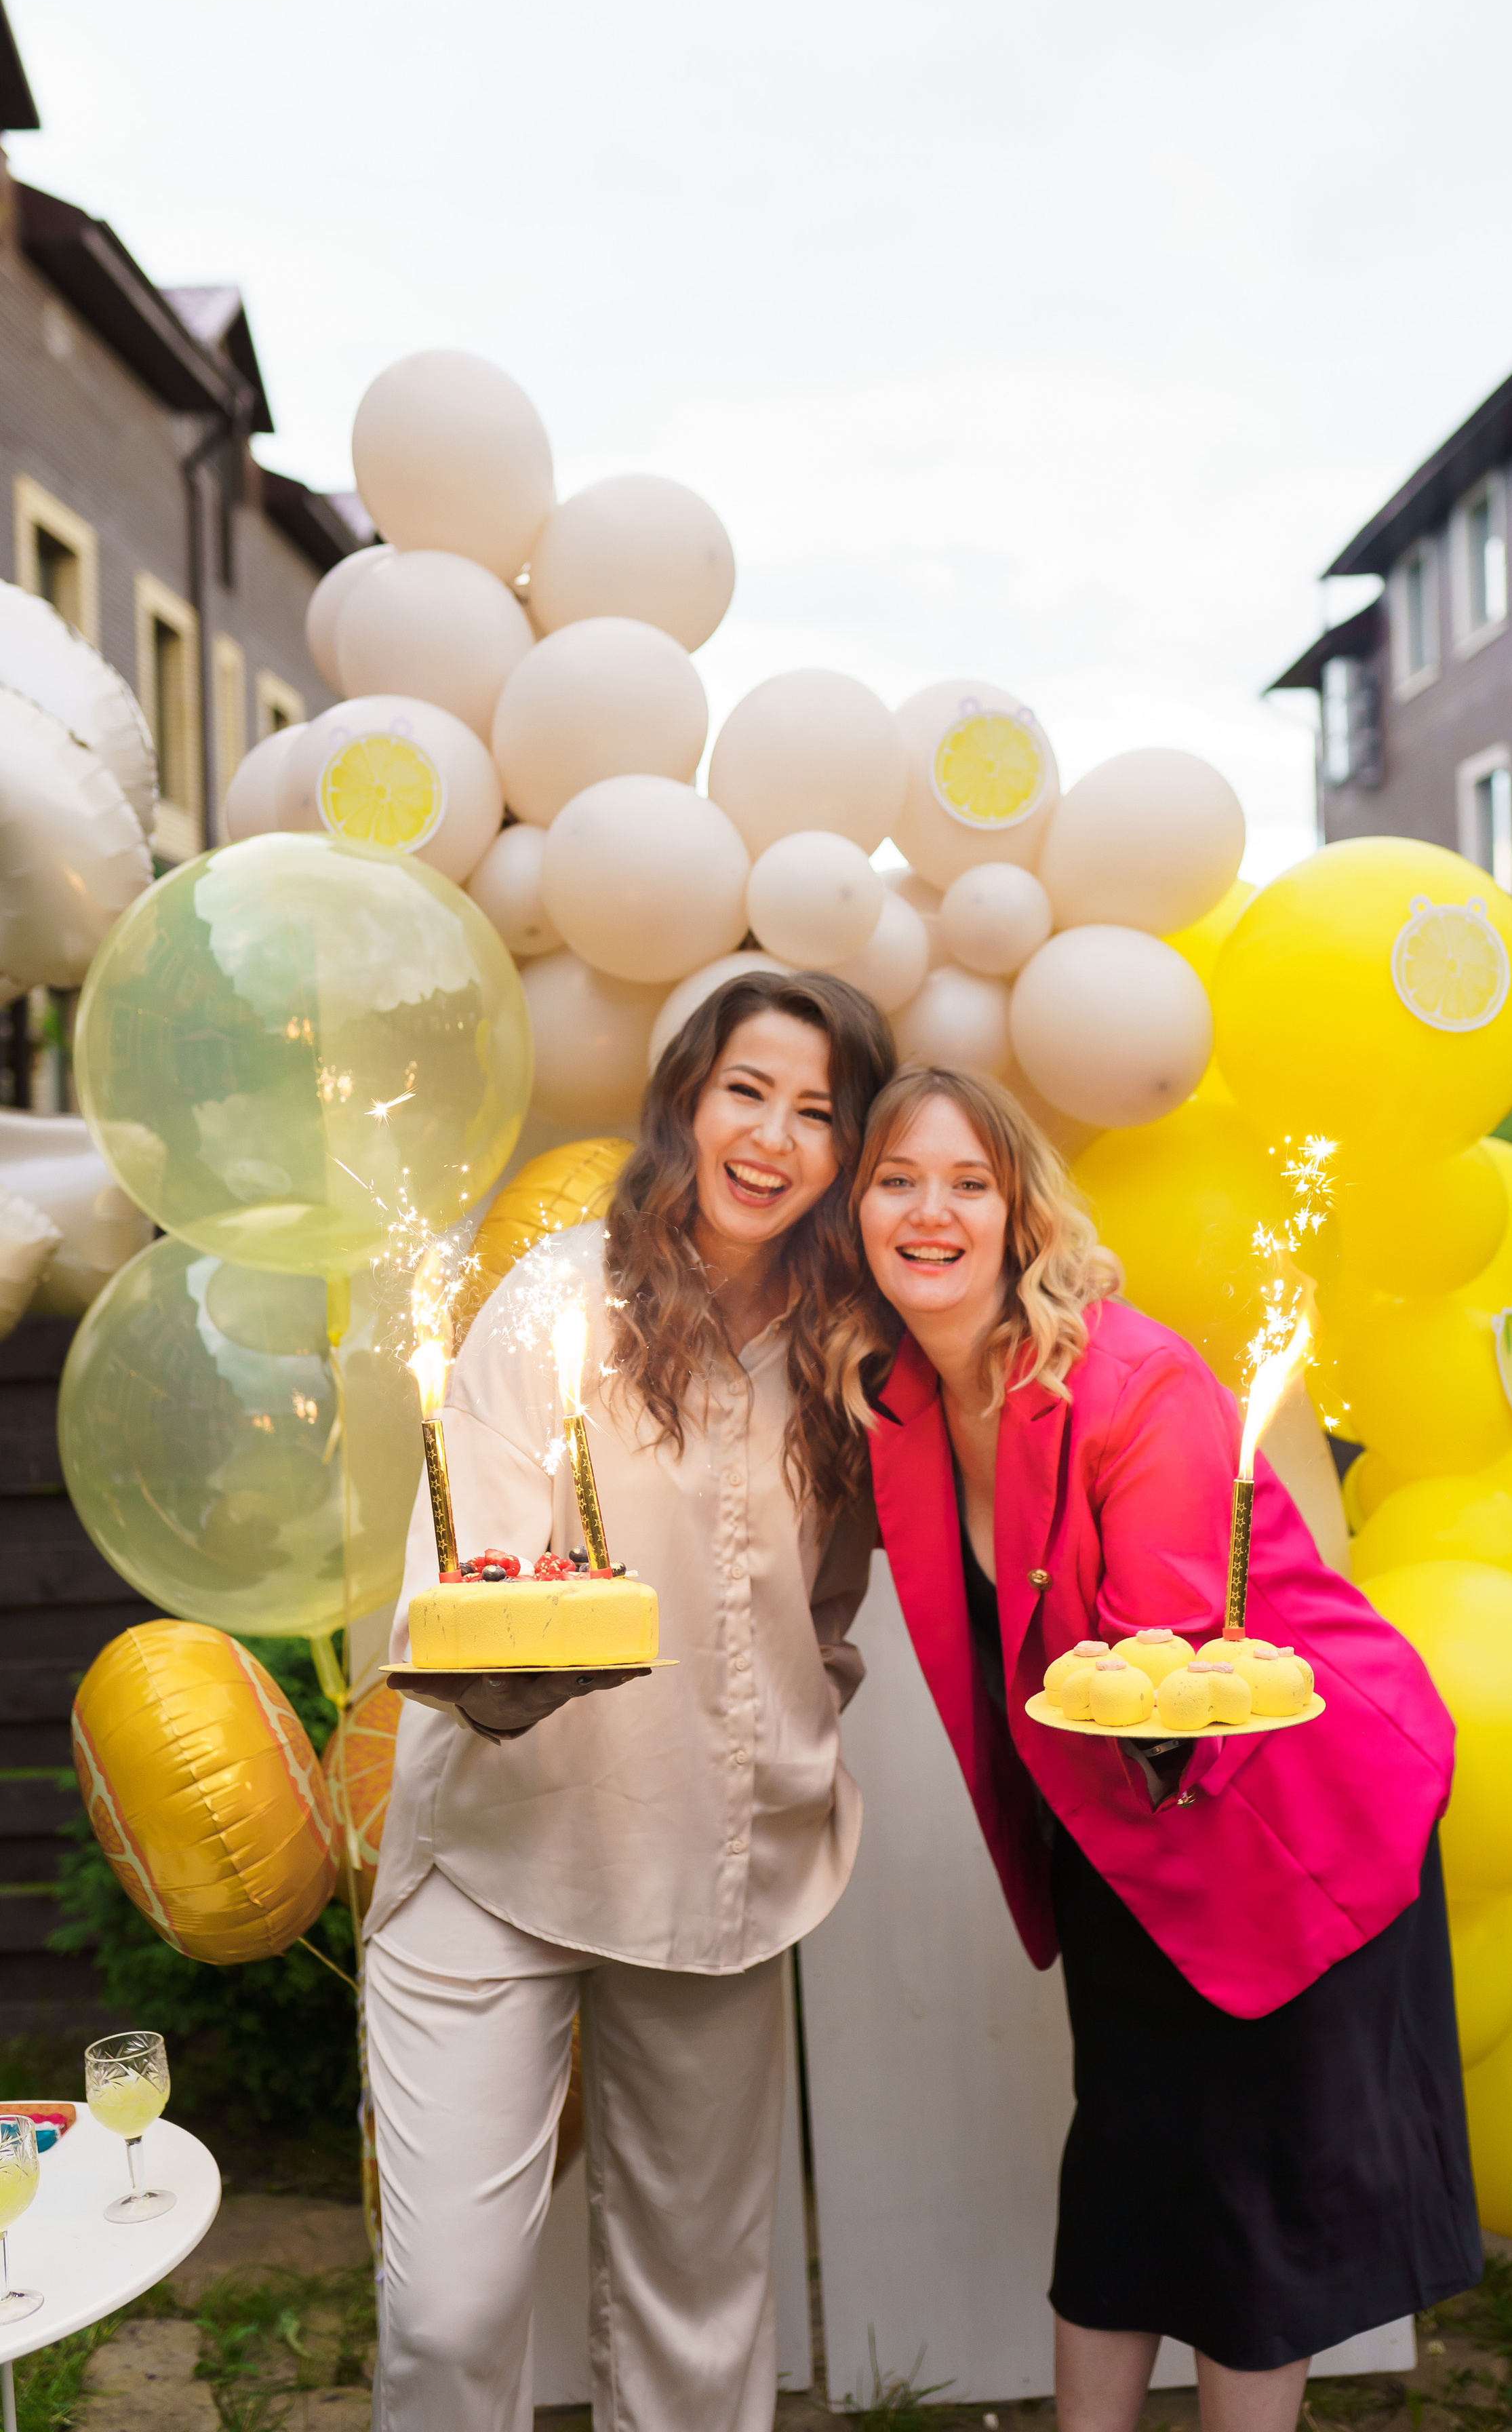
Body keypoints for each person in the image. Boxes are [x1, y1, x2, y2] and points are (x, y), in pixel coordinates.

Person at [831, 1063, 1481, 2432]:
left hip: (1287, 1814)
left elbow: (1172, 1675)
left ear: (1021, 1217)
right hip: (1115, 1831)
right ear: (855, 1212)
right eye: (896, 1180)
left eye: (968, 1183)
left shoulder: (1134, 1381)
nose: (929, 1212)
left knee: (1250, 2201)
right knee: (1125, 2173)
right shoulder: (894, 1398)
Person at [365, 971, 895, 2432]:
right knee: (448, 2312)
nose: (773, 1137)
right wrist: (499, 1682)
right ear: (684, 1101)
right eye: (747, 1092)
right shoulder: (554, 1304)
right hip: (502, 1846)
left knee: (698, 2312)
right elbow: (460, 1582)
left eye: (816, 1112)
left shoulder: (851, 1347)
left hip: (718, 1871)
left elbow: (825, 1605)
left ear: (848, 1153)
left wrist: (791, 1722)